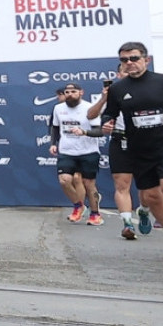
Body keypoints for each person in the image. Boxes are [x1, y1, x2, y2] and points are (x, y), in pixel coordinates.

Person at [99, 42, 163, 261]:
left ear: (146, 60)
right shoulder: (117, 89)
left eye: (134, 58)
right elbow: (109, 113)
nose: (129, 64)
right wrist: (107, 122)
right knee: (152, 197)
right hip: (140, 148)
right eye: (124, 60)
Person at [86, 63, 144, 239]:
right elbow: (91, 115)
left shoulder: (148, 90)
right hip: (120, 141)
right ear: (118, 74)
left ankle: (144, 210)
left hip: (145, 142)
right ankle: (127, 224)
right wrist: (104, 99)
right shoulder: (113, 94)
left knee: (149, 191)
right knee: (121, 185)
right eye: (124, 71)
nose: (128, 73)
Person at [48, 83, 105, 225]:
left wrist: (84, 132)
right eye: (67, 92)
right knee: (64, 180)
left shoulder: (89, 108)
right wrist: (53, 144)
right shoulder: (58, 108)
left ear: (81, 93)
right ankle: (78, 206)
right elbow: (55, 128)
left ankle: (95, 213)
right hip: (67, 151)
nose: (70, 94)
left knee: (89, 184)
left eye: (73, 91)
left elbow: (99, 131)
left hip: (88, 151)